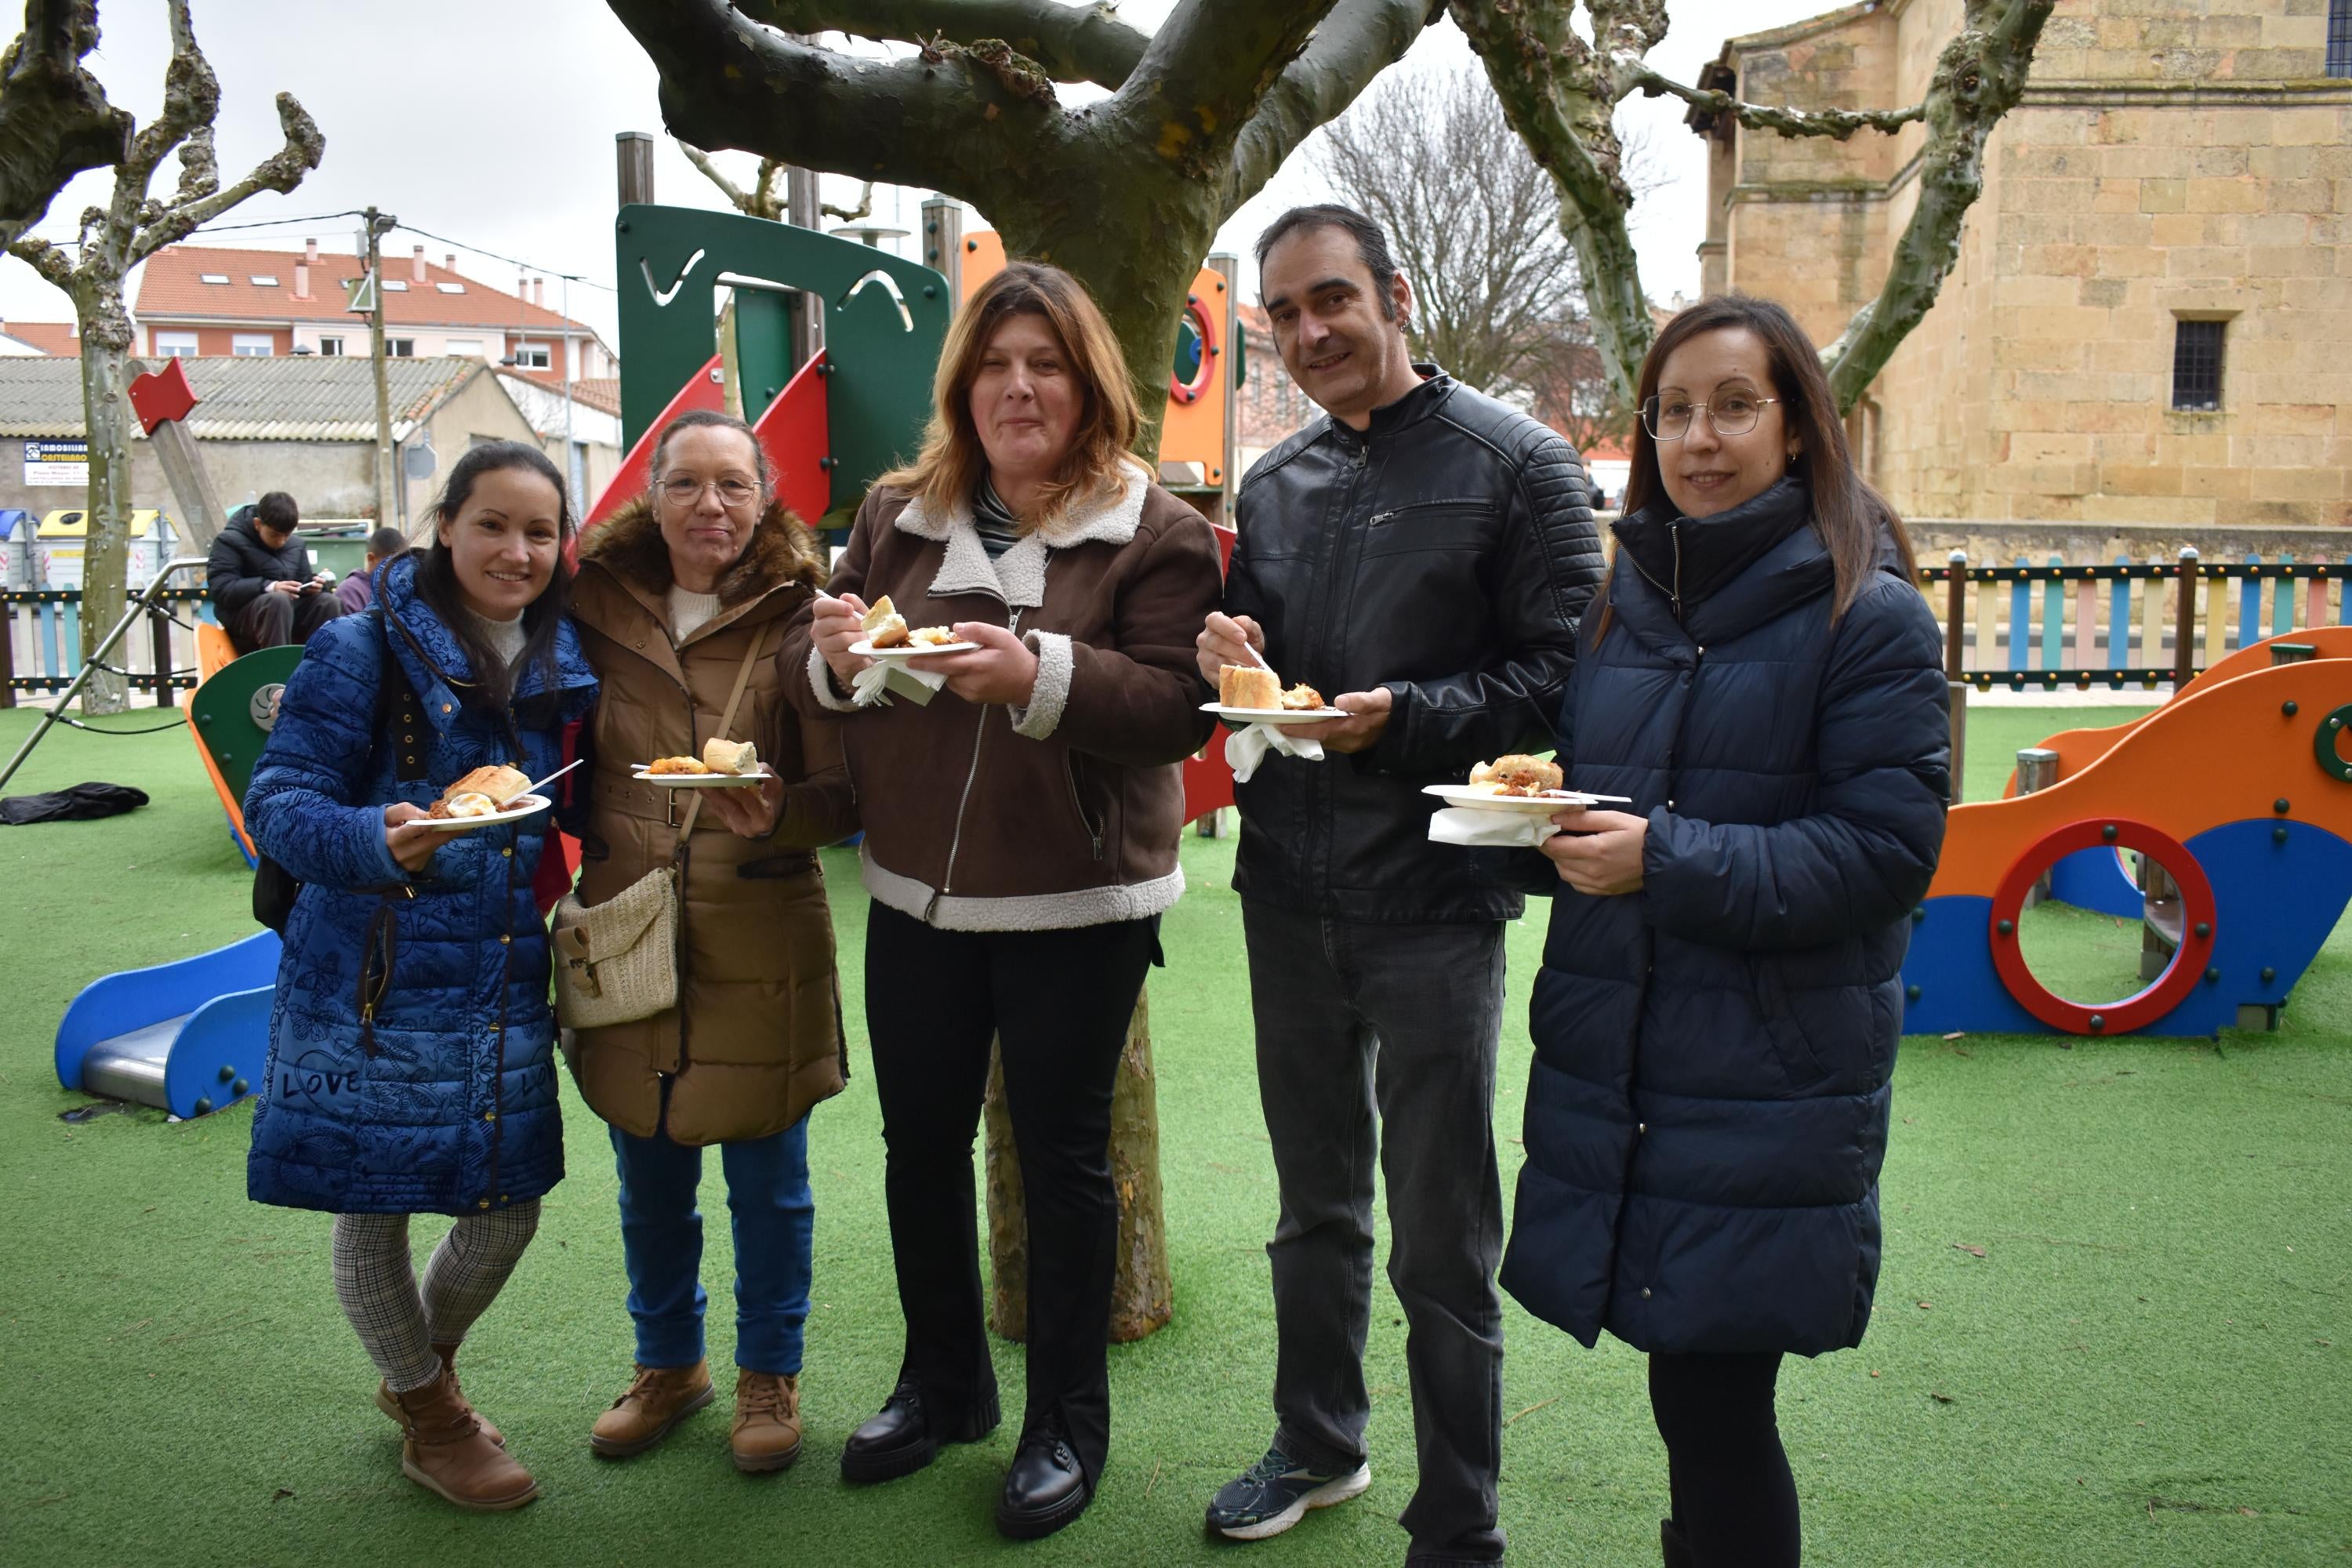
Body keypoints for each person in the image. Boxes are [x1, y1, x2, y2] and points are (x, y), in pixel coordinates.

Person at [1501, 296, 1949, 1568]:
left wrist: (1661, 859)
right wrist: (1543, 833)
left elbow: (1883, 854)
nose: (1701, 438)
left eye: (1736, 405)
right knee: (1690, 1395)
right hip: (1636, 1065)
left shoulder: (1871, 616)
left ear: (1801, 427)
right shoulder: (1625, 609)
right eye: (1676, 410)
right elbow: (1609, 807)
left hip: (1766, 1076)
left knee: (1713, 1400)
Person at [1193, 204, 1606, 1567]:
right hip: (1288, 889)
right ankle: (1318, 1444)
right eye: (1286, 315)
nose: (1311, 334)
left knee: (1441, 1231)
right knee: (1314, 1207)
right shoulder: (1277, 481)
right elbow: (1268, 669)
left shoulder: (1521, 466)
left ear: (1397, 295)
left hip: (1435, 903)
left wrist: (1406, 716)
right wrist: (1232, 645)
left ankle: (1459, 1516)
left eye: (1333, 302)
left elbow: (1564, 685)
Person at [797, 261, 1221, 1541]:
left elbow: (1170, 711)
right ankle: (944, 1387)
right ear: (963, 388)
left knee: (1062, 1164)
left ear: (1088, 384)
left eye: (1044, 364)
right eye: (995, 365)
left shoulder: (1158, 530)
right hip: (917, 890)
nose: (1019, 386)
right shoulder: (894, 514)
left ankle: (1066, 1426)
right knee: (915, 1146)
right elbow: (847, 657)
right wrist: (832, 665)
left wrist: (1037, 672)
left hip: (1077, 901)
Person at [243, 441, 597, 1512]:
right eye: (493, 524)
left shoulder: (561, 660)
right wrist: (373, 836)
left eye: (539, 531)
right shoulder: (362, 648)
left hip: (500, 966)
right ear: (446, 525)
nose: (517, 550)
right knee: (378, 1200)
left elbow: (569, 808)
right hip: (375, 975)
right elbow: (279, 803)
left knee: (508, 1205)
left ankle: (416, 1377)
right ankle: (432, 1410)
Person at [562, 409, 855, 1475]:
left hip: (762, 919)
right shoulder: (591, 602)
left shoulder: (803, 614)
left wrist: (778, 809)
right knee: (646, 1167)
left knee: (769, 1175)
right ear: (652, 493)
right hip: (626, 912)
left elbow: (845, 794)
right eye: (688, 485)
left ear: (765, 497)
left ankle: (769, 1373)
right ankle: (667, 1364)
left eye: (734, 486)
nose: (711, 508)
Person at [208, 490, 343, 652]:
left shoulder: (296, 545)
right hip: (244, 618)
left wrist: (314, 585)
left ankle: (321, 666)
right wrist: (269, 586)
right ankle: (278, 670)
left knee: (328, 602)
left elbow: (302, 580)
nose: (282, 541)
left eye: (287, 535)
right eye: (275, 535)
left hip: (288, 613)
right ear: (258, 524)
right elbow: (222, 589)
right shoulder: (228, 541)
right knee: (278, 600)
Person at [336, 526, 412, 615]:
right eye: (390, 565)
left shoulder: (403, 589)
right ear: (371, 558)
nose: (398, 571)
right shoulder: (350, 591)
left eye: (402, 564)